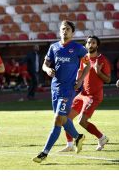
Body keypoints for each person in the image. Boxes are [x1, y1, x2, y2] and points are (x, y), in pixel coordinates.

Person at [32, 20, 91, 163]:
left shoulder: (78, 48)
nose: (65, 31)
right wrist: (47, 70)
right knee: (63, 119)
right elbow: (45, 65)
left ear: (72, 32)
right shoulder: (54, 47)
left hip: (68, 89)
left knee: (57, 120)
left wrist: (81, 80)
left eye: (68, 29)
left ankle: (44, 153)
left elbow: (88, 64)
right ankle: (78, 137)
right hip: (55, 89)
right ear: (60, 31)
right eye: (63, 29)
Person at [59, 35, 111, 152]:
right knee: (65, 118)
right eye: (89, 43)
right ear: (86, 45)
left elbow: (108, 80)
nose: (91, 45)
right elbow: (81, 71)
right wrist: (77, 79)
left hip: (94, 95)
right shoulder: (85, 58)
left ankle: (101, 138)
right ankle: (70, 145)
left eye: (93, 43)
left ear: (97, 45)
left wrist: (98, 72)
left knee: (82, 121)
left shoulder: (102, 60)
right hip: (83, 94)